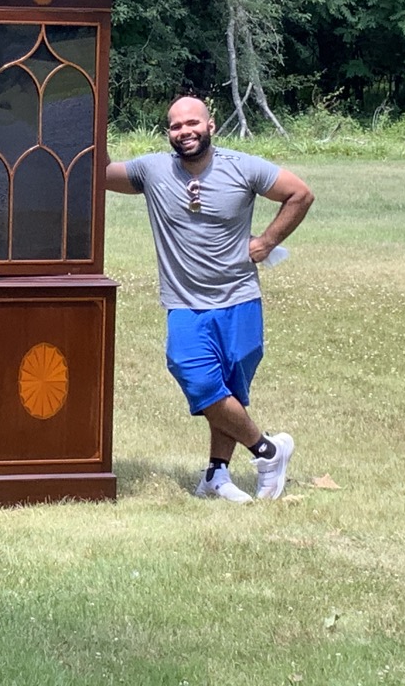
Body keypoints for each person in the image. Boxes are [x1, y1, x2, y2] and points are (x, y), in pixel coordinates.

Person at [105, 96, 314, 502]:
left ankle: (216, 475)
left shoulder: (243, 167)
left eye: (192, 123)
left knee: (228, 388)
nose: (184, 132)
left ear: (210, 125)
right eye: (175, 126)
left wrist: (268, 241)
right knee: (196, 376)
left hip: (240, 298)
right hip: (185, 303)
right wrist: (87, 122)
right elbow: (100, 175)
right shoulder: (152, 170)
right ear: (168, 133)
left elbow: (300, 194)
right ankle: (269, 452)